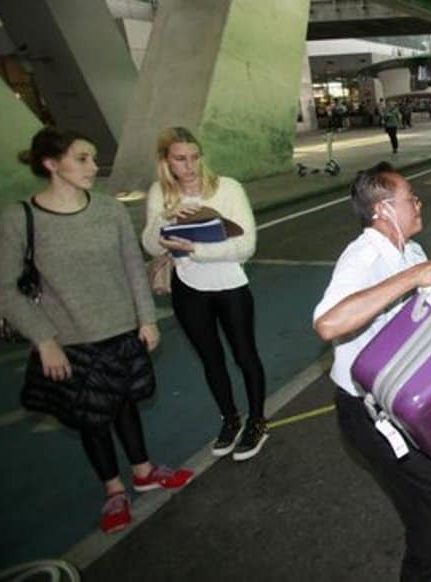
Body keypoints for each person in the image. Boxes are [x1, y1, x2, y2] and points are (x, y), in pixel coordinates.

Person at [0, 127, 193, 534]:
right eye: (82, 159)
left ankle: (143, 471)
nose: (93, 167)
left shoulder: (108, 210)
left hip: (122, 330)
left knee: (125, 403)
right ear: (52, 165)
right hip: (70, 340)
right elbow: (6, 288)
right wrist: (44, 340)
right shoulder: (22, 219)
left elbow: (132, 268)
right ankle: (113, 490)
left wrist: (146, 318)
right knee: (92, 417)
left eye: (92, 158)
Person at [313, 162, 431, 582]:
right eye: (411, 198)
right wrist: (412, 278)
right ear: (383, 210)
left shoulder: (410, 250)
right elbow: (328, 323)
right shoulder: (364, 256)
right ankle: (422, 571)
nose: (417, 203)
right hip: (368, 410)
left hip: (407, 392)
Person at [141, 127, 269, 462]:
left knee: (245, 355)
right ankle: (230, 418)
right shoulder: (160, 192)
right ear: (166, 162)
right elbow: (150, 244)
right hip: (187, 288)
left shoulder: (228, 188)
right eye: (180, 159)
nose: (190, 166)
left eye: (195, 157)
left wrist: (194, 249)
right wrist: (163, 219)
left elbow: (246, 246)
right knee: (211, 360)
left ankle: (257, 421)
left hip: (230, 284)